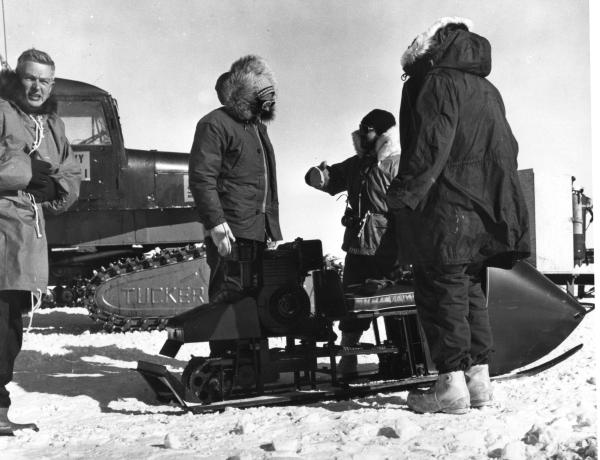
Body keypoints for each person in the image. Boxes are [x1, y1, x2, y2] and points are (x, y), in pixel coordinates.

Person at [386, 18, 530, 414]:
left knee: (440, 291)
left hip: (447, 208)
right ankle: (478, 383)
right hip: (484, 210)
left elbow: (430, 147)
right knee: (470, 290)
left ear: (434, 48)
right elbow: (508, 149)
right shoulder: (488, 89)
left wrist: (400, 197)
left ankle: (449, 386)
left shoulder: (438, 83)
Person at [0, 49, 81, 434]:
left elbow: (69, 170)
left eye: (44, 80)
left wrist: (56, 186)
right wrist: (28, 170)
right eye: (30, 78)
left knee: (10, 327)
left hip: (28, 235)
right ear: (18, 78)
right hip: (0, 229)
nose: (36, 86)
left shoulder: (52, 125)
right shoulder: (1, 110)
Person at [188, 55, 282, 356]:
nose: (270, 99)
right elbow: (202, 178)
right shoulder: (215, 124)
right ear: (247, 93)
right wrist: (215, 224)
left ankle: (253, 365)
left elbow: (263, 183)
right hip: (231, 230)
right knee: (229, 296)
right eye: (264, 92)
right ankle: (226, 364)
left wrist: (271, 228)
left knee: (257, 298)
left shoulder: (256, 127)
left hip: (257, 228)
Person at [305, 109, 400, 375]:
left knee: (394, 304)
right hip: (358, 245)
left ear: (381, 133)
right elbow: (332, 177)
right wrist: (319, 176)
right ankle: (349, 359)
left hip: (389, 246)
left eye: (366, 128)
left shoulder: (398, 163)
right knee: (352, 304)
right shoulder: (357, 164)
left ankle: (399, 359)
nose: (360, 133)